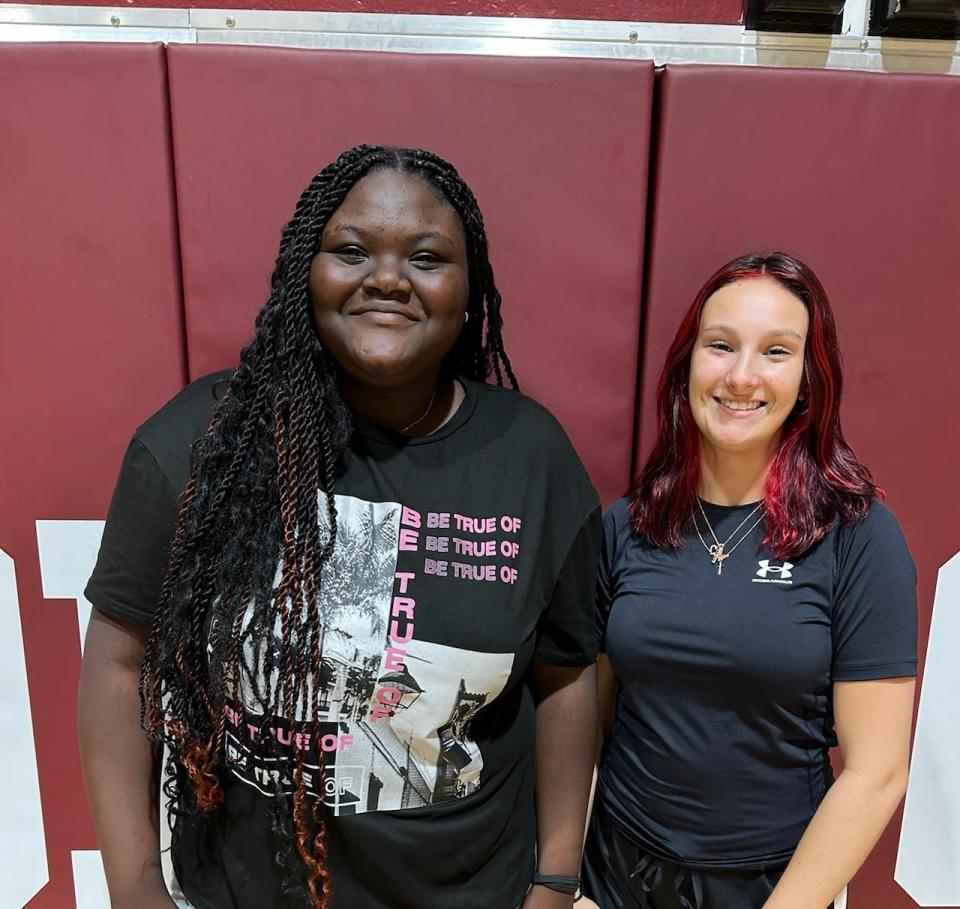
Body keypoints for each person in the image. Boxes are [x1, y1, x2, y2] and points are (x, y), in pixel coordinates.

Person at [78, 145, 600, 909]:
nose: (387, 278)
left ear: (469, 289)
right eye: (352, 251)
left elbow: (565, 674)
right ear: (305, 273)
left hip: (470, 890)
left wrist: (556, 878)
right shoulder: (198, 441)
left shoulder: (533, 458)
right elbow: (120, 664)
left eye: (427, 257)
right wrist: (133, 888)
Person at [581, 252, 917, 909]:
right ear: (688, 365)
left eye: (775, 351)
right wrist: (567, 885)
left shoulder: (857, 535)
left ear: (808, 379)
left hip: (775, 887)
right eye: (721, 345)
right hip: (614, 878)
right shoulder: (626, 526)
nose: (741, 375)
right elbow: (583, 728)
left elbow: (877, 772)